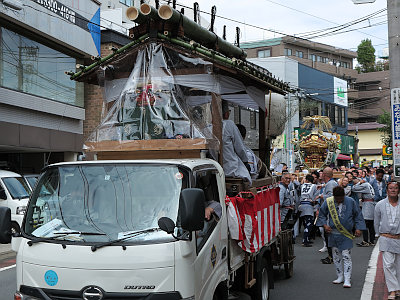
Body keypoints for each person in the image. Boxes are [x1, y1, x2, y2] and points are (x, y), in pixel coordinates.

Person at [317, 186, 365, 288]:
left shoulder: (350, 201)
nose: (339, 200)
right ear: (333, 196)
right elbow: (321, 215)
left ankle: (347, 279)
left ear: (344, 195)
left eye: (341, 198)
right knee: (336, 256)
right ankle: (339, 276)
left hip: (346, 233)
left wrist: (358, 228)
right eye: (337, 198)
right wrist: (325, 225)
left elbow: (358, 215)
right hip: (333, 233)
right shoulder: (328, 201)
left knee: (346, 256)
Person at [374, 181, 400, 300]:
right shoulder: (380, 204)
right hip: (386, 237)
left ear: (398, 190)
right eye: (391, 188)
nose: (393, 190)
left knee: (398, 266)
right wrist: (378, 234)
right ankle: (393, 290)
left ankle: (397, 288)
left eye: (395, 188)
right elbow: (376, 220)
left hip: (399, 238)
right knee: (388, 265)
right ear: (387, 190)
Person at [221, 101, 251, 183]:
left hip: (215, 169)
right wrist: (245, 161)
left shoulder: (207, 128)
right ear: (226, 113)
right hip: (230, 170)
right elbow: (240, 148)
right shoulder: (229, 124)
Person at [317, 167, 338, 264]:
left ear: (325, 175)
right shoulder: (331, 183)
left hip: (330, 213)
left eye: (322, 174)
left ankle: (331, 256)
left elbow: (331, 197)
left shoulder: (331, 184)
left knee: (328, 234)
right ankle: (332, 255)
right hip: (330, 212)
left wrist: (322, 196)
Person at [352, 178, 376, 247]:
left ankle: (365, 241)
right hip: (370, 204)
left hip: (368, 205)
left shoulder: (364, 185)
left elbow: (354, 188)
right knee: (371, 224)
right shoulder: (368, 185)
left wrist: (358, 183)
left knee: (365, 223)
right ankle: (371, 240)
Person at [299, 174, 319, 247]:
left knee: (305, 223)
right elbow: (315, 198)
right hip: (308, 205)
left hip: (301, 204)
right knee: (309, 223)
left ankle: (306, 239)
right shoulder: (314, 186)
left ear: (306, 180)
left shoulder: (302, 186)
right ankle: (305, 240)